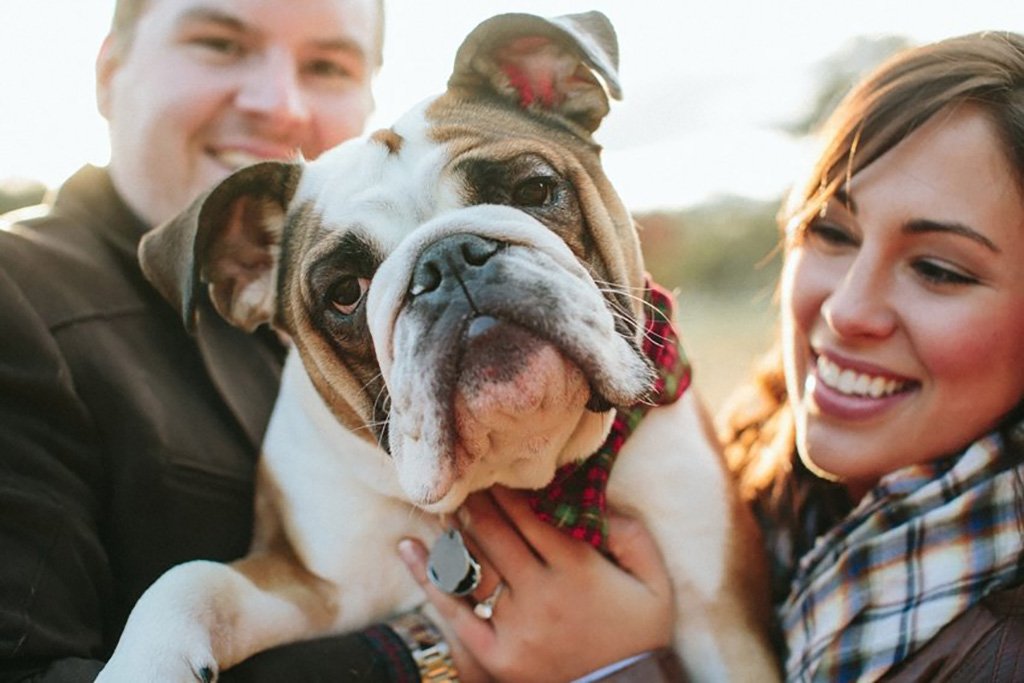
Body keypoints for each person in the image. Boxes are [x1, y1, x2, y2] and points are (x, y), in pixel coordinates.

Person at [0, 1, 671, 681]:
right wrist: (437, 652)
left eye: (327, 64)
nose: (279, 104)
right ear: (109, 69)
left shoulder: (307, 250)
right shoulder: (21, 291)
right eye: (218, 43)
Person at [399, 30, 1024, 682]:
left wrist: (619, 666)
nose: (845, 310)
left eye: (939, 269)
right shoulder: (777, 495)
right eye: (832, 232)